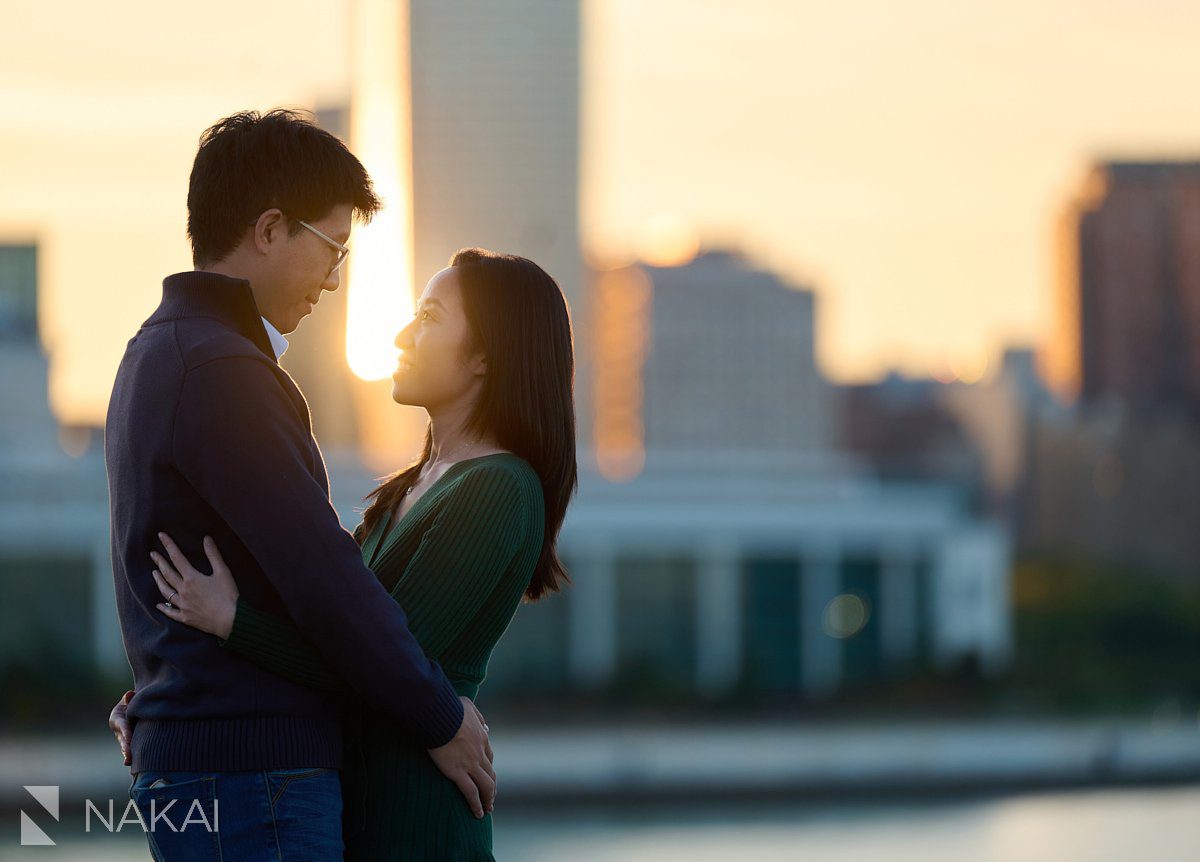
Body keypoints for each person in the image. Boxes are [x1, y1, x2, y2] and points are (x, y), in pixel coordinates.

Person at [104, 110, 493, 862]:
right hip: (254, 779)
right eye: (332, 248)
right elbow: (325, 581)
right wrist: (440, 718)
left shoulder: (155, 352)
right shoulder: (223, 371)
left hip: (205, 768)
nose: (337, 277)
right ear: (271, 228)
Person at [113, 248, 578, 860]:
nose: (403, 334)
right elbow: (332, 623)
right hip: (356, 806)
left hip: (417, 824)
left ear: (486, 355)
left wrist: (234, 622)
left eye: (431, 317)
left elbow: (375, 660)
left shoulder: (499, 489)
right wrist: (154, 695)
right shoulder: (407, 487)